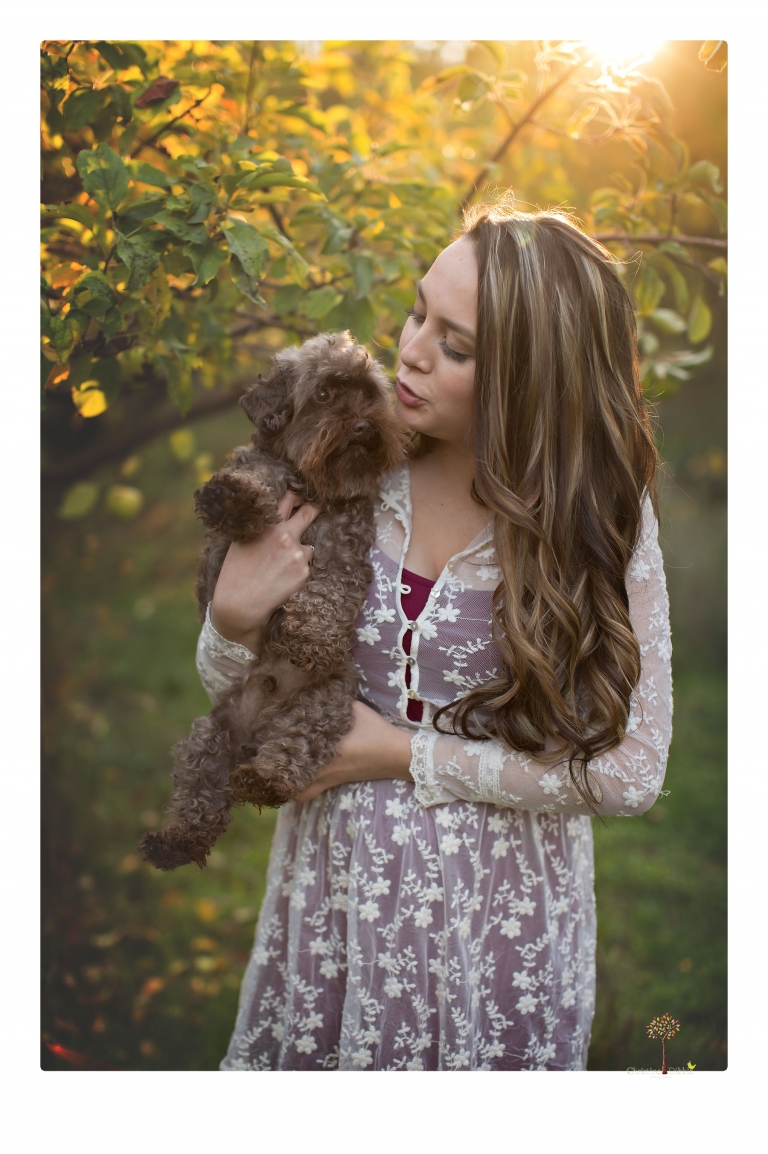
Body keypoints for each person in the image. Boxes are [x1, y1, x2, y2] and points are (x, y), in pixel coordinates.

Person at [197, 198, 672, 1071]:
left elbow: (631, 771)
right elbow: (249, 694)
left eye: (455, 346)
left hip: (501, 919)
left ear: (529, 381)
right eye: (417, 312)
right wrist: (230, 621)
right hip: (336, 898)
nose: (410, 352)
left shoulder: (599, 518)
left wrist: (402, 754)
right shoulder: (350, 469)